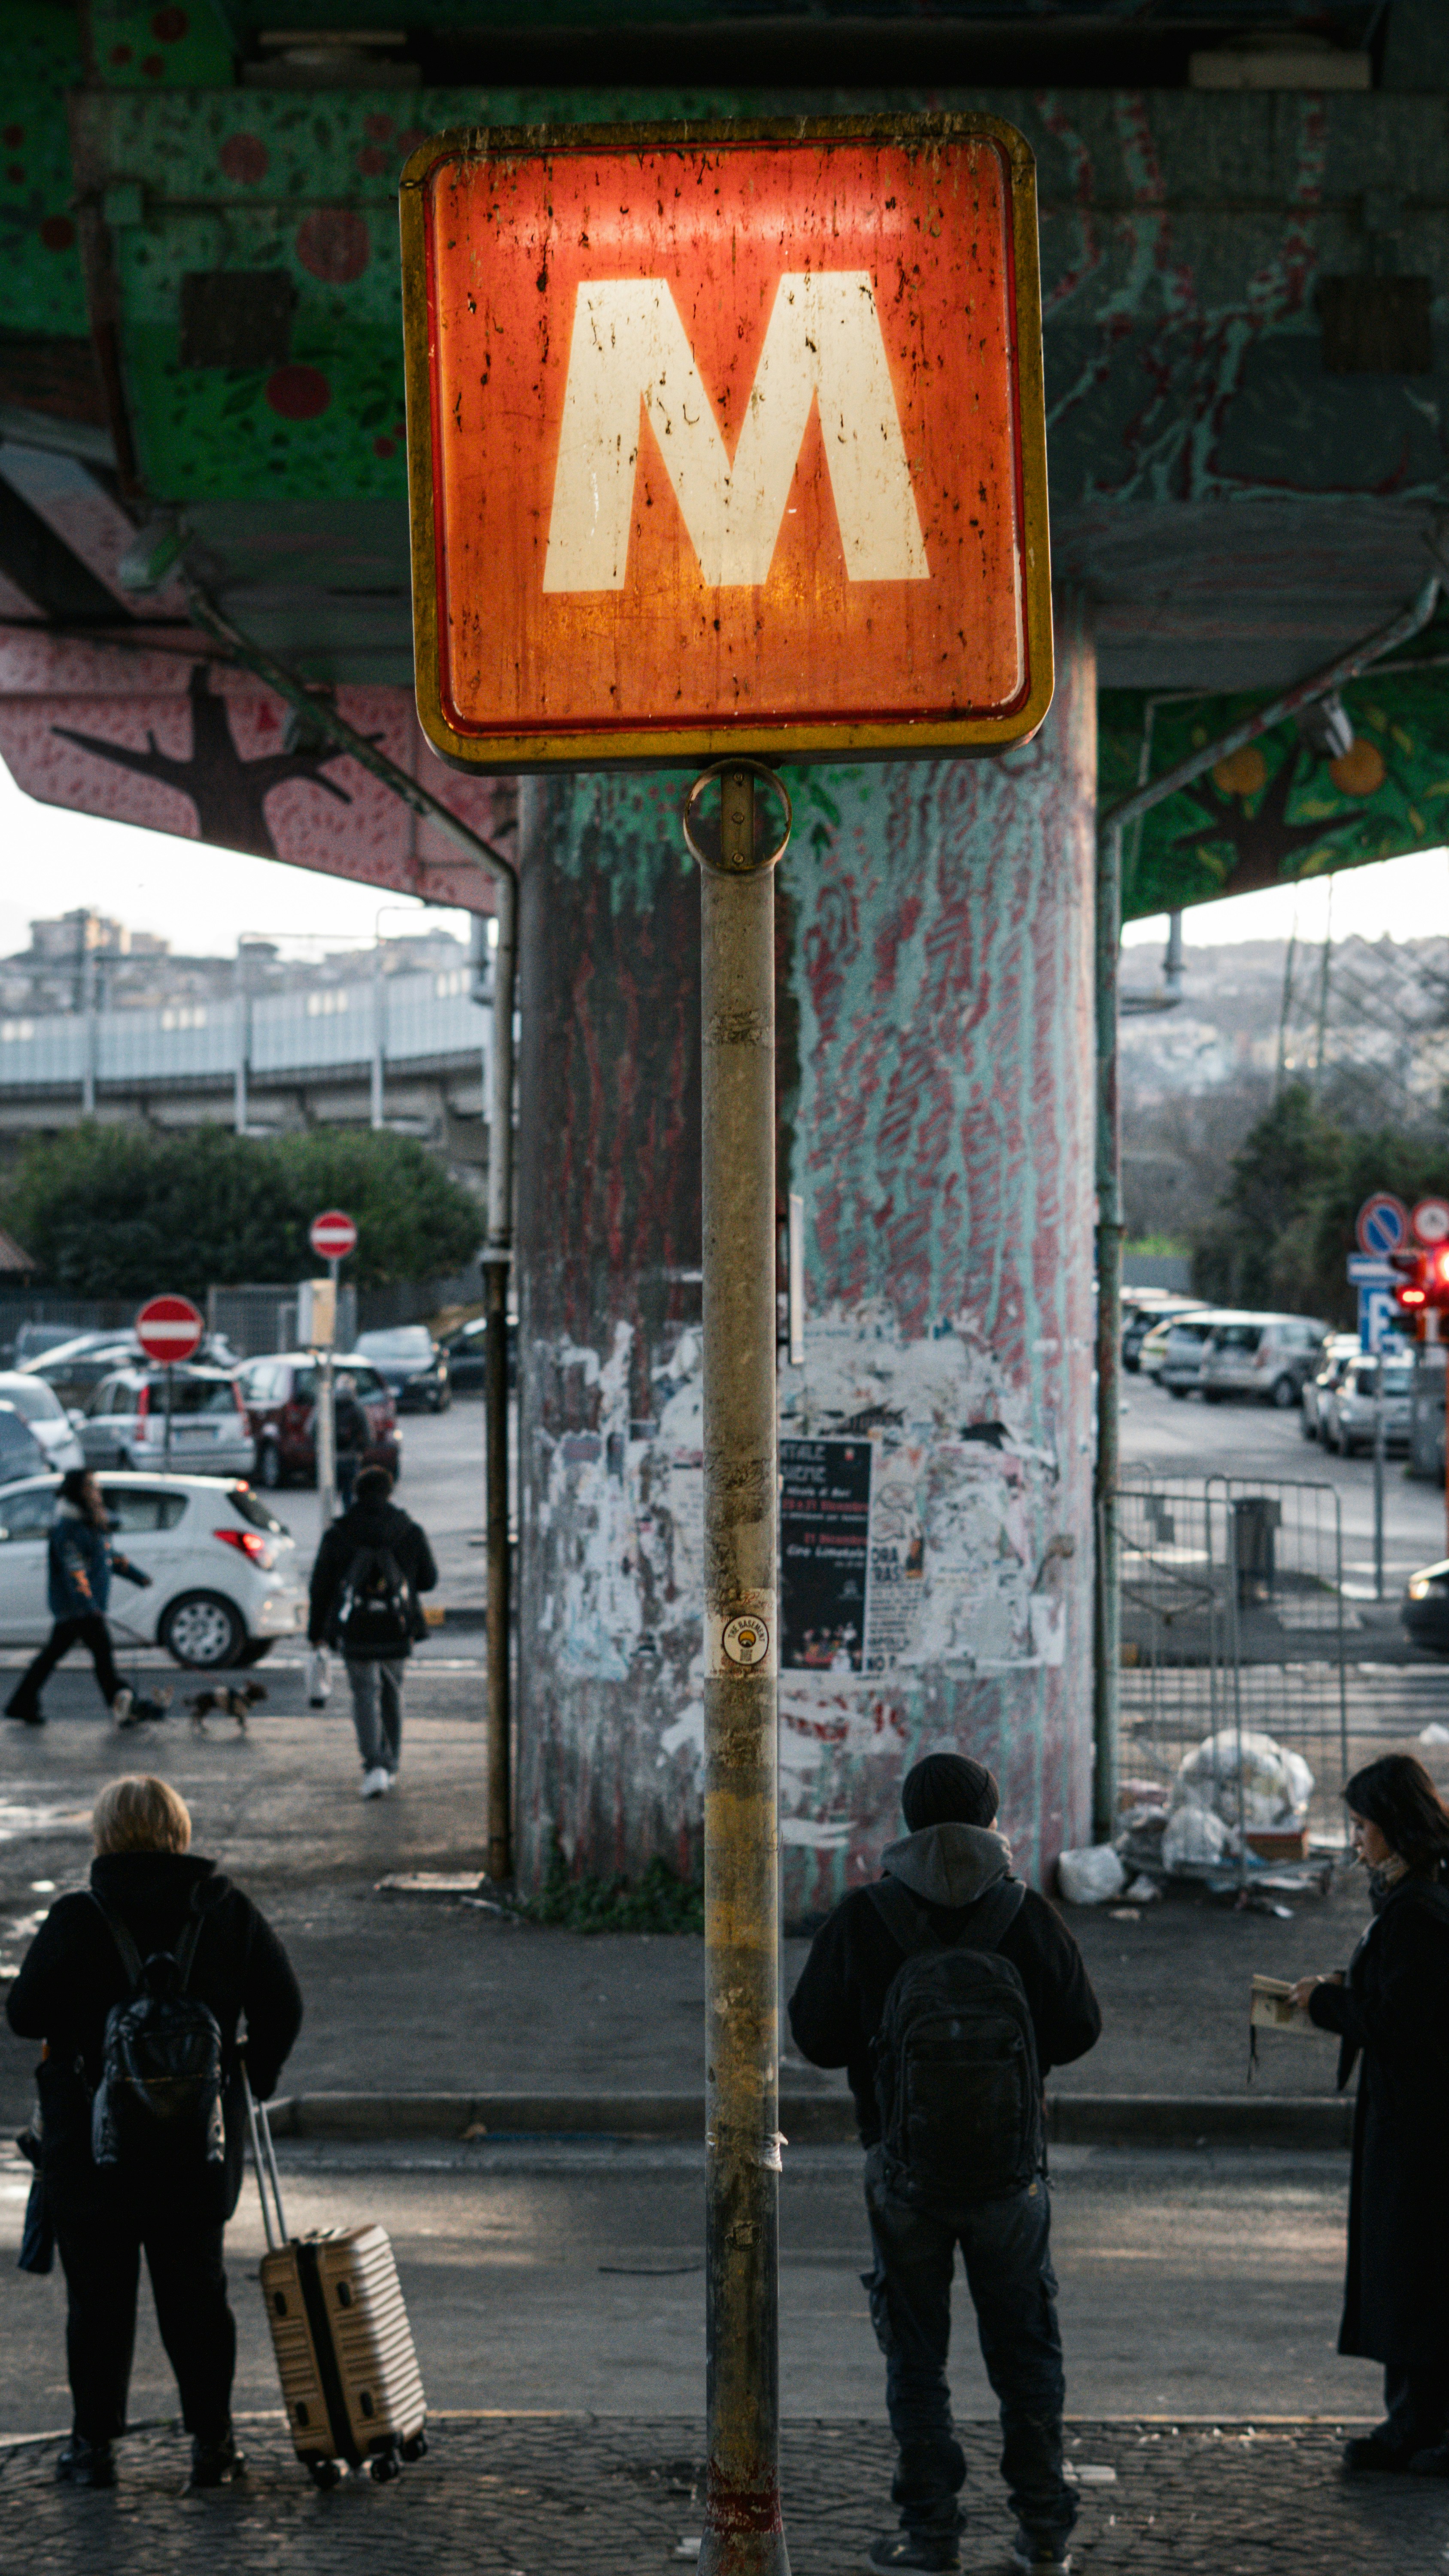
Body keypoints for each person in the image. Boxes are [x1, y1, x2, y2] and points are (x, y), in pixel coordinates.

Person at [789, 1753, 1101, 2576]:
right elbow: (1080, 2030)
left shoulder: (865, 1917)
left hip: (903, 2173)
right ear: (992, 1818)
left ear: (909, 1821)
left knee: (916, 2359)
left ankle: (931, 2536)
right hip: (1010, 2178)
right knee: (1027, 2352)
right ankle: (1044, 2535)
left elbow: (815, 2039)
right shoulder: (1025, 1915)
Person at [6, 1774, 303, 2491]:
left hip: (92, 2154)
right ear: (180, 1832)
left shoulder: (79, 1917)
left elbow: (23, 2014)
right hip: (195, 2153)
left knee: (99, 2305)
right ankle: (213, 2448)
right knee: (197, 2297)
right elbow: (283, 2006)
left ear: (103, 1835)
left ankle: (92, 2451)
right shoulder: (226, 1913)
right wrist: (246, 2081)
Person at [1288, 1753, 1449, 2476]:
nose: (1354, 1841)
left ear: (1393, 1829)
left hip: (1416, 2126)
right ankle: (1420, 2424)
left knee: (1409, 2273)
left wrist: (1325, 2004)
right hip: (1423, 2118)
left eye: (1360, 1827)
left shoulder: (1416, 1909)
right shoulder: (1424, 1895)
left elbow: (1400, 2022)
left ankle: (1415, 2426)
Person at [307, 1461, 437, 1798]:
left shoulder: (339, 1533)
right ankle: (391, 1764)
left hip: (356, 1630)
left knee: (365, 1694)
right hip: (396, 1627)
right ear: (389, 1492)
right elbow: (429, 1580)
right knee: (392, 1692)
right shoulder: (409, 1530)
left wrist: (317, 1632)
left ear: (356, 1493)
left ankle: (374, 1766)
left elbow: (320, 1587)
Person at [5, 1468, 152, 1730]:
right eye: (92, 1486)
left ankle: (22, 1702)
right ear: (80, 1492)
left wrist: (136, 1575)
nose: (97, 1491)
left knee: (55, 1656)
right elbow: (75, 1572)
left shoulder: (88, 1524)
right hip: (77, 1609)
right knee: (102, 1659)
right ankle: (123, 1707)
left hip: (83, 1608)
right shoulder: (69, 1530)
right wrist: (89, 1606)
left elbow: (108, 1556)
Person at [332, 1371, 371, 1512]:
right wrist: (362, 1449)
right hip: (352, 1457)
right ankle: (347, 1524)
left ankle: (332, 1525)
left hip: (332, 1458)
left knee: (330, 1495)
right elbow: (368, 1434)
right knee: (349, 1496)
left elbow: (310, 1429)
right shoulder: (357, 1406)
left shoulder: (328, 1405)